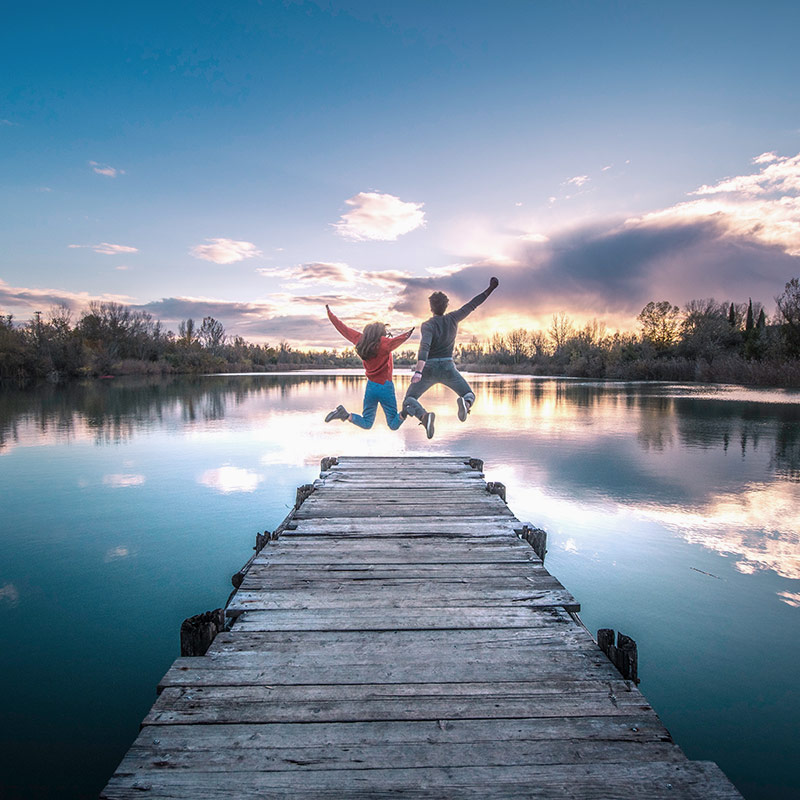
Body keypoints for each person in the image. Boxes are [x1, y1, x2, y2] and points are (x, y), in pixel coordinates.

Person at [403, 277, 499, 439]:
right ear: (446, 306)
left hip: (429, 369)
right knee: (469, 394)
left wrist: (418, 371)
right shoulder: (453, 318)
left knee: (409, 400)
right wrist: (490, 289)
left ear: (431, 307)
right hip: (448, 367)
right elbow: (472, 304)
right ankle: (466, 404)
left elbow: (424, 346)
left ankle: (424, 417)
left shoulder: (428, 325)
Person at [323, 305, 414, 430]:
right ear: (381, 334)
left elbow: (343, 329)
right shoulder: (384, 344)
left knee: (367, 423)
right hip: (385, 386)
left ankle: (344, 415)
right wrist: (407, 334)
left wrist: (330, 314)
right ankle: (406, 411)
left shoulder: (361, 341)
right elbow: (396, 341)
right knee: (393, 424)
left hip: (371, 387)